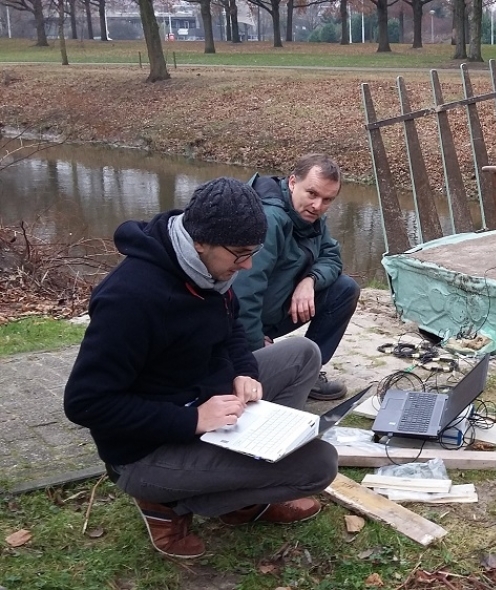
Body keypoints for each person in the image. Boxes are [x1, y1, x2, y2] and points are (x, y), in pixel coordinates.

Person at [64, 178, 339, 559]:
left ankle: (247, 488)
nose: (248, 265)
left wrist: (244, 371)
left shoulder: (208, 270)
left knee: (303, 353)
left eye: (253, 252)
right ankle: (167, 505)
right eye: (240, 254)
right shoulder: (130, 299)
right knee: (318, 465)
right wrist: (193, 420)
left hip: (203, 398)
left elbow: (232, 327)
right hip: (146, 451)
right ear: (200, 242)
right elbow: (85, 403)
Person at [233, 153, 361, 401]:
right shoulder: (269, 220)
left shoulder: (311, 217)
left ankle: (308, 372)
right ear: (292, 182)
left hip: (276, 311)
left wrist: (310, 280)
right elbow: (244, 295)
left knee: (344, 289)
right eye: (312, 193)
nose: (318, 206)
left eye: (327, 199)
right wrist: (257, 345)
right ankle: (264, 370)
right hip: (239, 324)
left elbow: (332, 257)